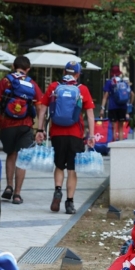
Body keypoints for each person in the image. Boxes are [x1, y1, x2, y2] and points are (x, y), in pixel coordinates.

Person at [35, 61, 96, 214]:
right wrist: (92, 135)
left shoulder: (54, 87)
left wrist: (40, 130)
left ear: (64, 72)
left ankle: (57, 190)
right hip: (75, 134)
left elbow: (42, 109)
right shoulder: (82, 89)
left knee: (59, 165)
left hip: (57, 133)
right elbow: (90, 114)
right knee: (72, 169)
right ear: (77, 74)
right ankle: (69, 203)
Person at [0, 56, 43, 204]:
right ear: (28, 69)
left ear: (13, 66)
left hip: (6, 124)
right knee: (22, 159)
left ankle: (9, 187)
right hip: (25, 125)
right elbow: (39, 106)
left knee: (11, 154)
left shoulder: (5, 81)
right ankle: (17, 195)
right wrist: (40, 128)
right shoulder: (32, 83)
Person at [100, 66, 133, 141]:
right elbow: (131, 94)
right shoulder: (124, 82)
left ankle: (114, 148)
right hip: (123, 107)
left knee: (114, 128)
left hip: (112, 107)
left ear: (112, 73)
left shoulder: (110, 82)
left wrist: (102, 108)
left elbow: (105, 96)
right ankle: (120, 148)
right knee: (121, 128)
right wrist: (130, 105)